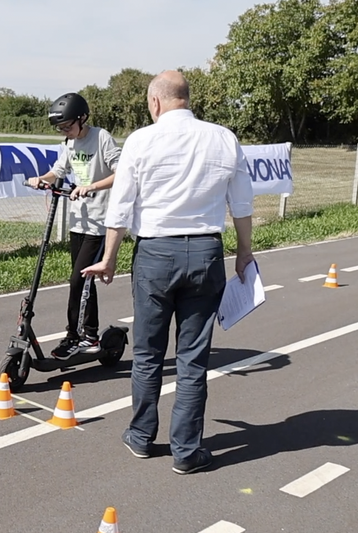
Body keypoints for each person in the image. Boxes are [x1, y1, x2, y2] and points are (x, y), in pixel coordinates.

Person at [82, 70, 254, 474]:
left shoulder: (142, 140)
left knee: (147, 355)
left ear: (155, 102)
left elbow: (120, 207)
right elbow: (242, 204)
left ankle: (142, 437)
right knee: (193, 359)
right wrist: (243, 253)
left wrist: (109, 258)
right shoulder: (224, 138)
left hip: (156, 254)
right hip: (206, 253)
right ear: (187, 99)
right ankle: (186, 451)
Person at [27, 92, 120, 358]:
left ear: (82, 118)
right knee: (83, 283)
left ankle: (82, 336)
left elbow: (122, 171)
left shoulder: (101, 138)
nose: (65, 132)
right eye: (61, 128)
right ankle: (87, 333)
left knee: (78, 281)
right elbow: (59, 170)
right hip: (79, 221)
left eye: (68, 126)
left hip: (100, 223)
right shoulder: (70, 143)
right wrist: (41, 179)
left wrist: (91, 187)